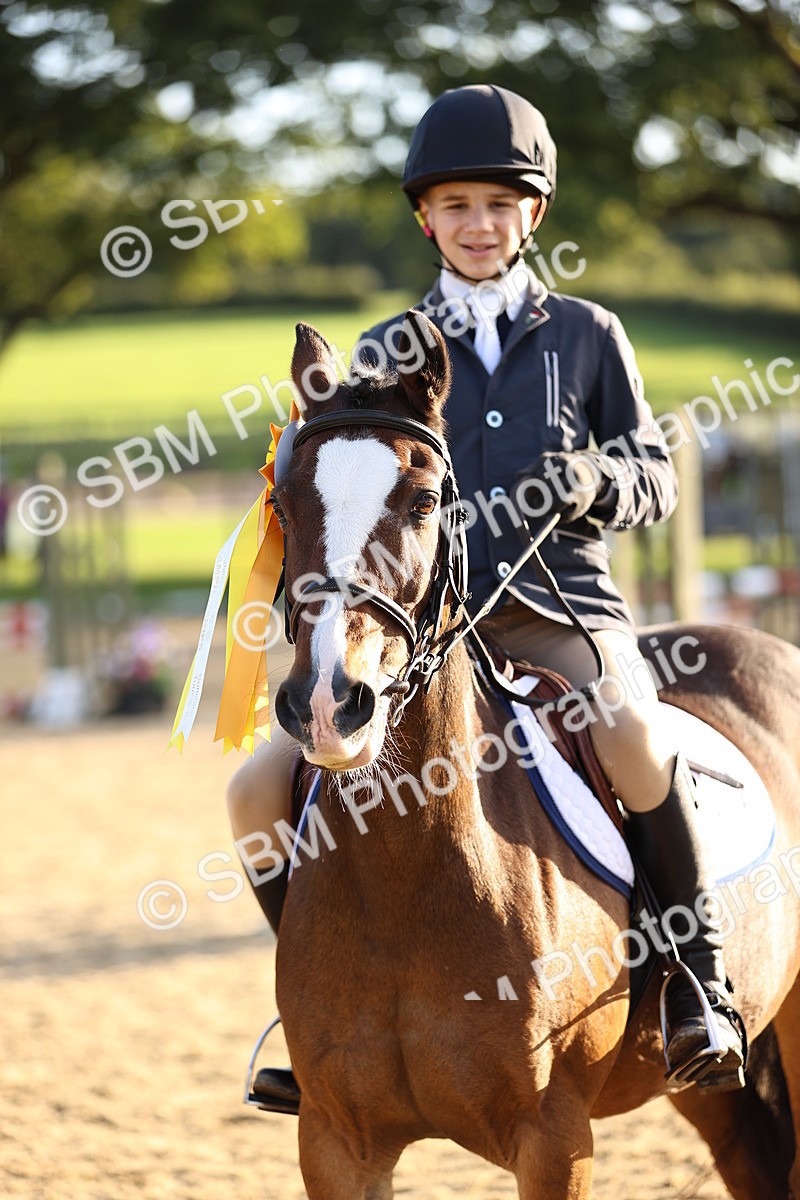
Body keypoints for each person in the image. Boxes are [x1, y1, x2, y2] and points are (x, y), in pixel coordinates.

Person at [228, 83, 745, 1096]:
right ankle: (313, 1012)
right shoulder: (386, 347)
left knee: (632, 734)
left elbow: (654, 473)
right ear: (426, 217)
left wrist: (596, 480)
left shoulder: (587, 335)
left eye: (498, 206)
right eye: (456, 207)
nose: (477, 225)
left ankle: (697, 979)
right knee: (254, 790)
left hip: (560, 613)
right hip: (421, 632)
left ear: (531, 216)